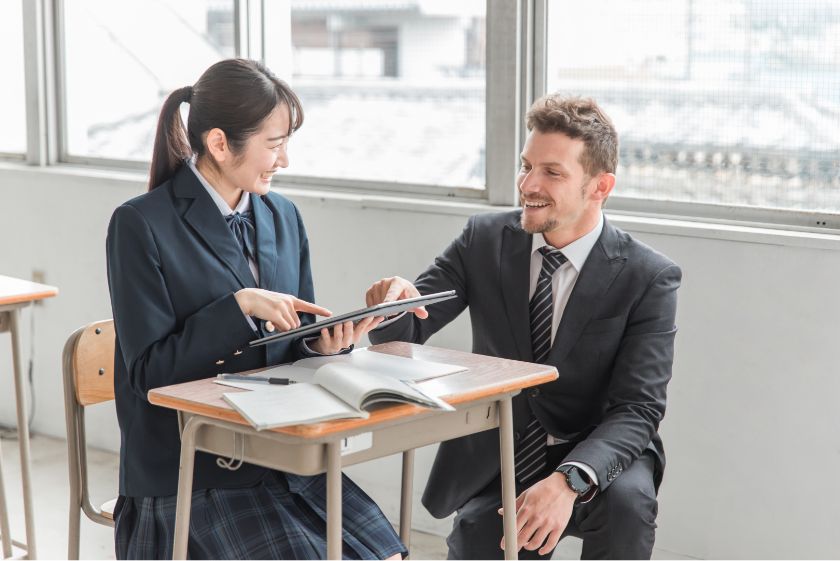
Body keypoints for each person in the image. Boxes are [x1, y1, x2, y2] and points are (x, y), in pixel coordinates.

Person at [106, 58, 405, 560]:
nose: (283, 160)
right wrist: (238, 308)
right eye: (274, 143)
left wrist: (323, 342)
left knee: (391, 554)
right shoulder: (139, 225)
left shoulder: (282, 215)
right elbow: (148, 374)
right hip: (194, 471)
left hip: (283, 456)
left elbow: (291, 341)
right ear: (220, 144)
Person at [366, 95, 681, 559]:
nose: (528, 184)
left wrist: (569, 480)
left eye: (552, 172)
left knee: (626, 507)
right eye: (526, 165)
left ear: (600, 186)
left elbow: (638, 408)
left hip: (595, 451)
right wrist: (392, 303)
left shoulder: (647, 276)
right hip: (501, 454)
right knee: (478, 536)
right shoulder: (483, 239)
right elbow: (405, 330)